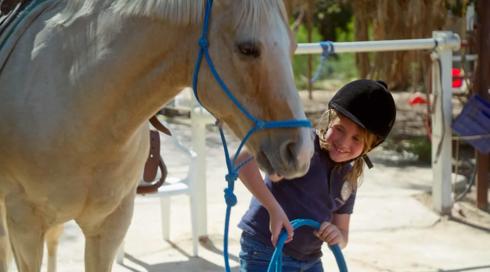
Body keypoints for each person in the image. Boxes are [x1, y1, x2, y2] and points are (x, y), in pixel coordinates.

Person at [236, 79, 397, 272]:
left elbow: (343, 233)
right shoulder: (302, 145)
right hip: (265, 251)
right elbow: (240, 159)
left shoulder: (349, 177)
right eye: (339, 129)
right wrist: (273, 208)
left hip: (310, 260)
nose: (344, 142)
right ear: (329, 120)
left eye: (356, 138)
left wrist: (337, 235)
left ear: (369, 147)